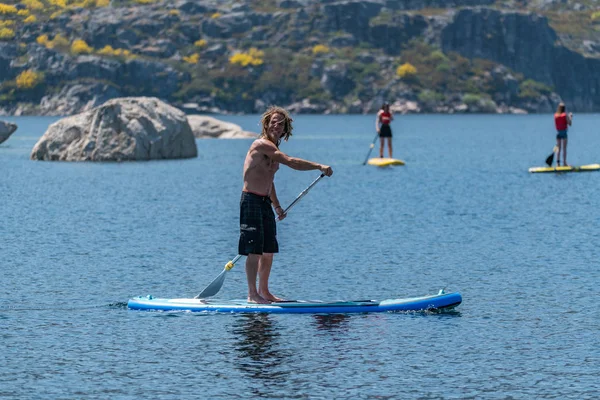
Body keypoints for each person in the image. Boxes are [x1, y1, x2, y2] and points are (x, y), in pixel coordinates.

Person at [239, 106, 333, 304]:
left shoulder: (274, 150)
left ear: (285, 130)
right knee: (254, 250)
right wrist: (318, 166)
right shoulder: (260, 145)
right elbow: (291, 162)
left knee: (268, 250)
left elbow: (269, 181)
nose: (277, 125)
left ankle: (265, 292)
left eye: (281, 124)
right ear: (267, 124)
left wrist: (277, 206)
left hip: (264, 202)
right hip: (250, 201)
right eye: (273, 122)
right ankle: (251, 294)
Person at [554, 103, 573, 167]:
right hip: (564, 133)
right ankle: (564, 163)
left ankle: (558, 163)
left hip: (558, 133)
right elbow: (570, 123)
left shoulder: (556, 115)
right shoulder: (565, 115)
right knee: (564, 148)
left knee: (559, 149)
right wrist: (570, 116)